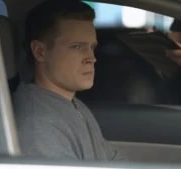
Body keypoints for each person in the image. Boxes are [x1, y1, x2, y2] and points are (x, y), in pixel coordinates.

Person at [14, 0, 124, 161]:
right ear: (40, 52)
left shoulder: (75, 105)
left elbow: (114, 160)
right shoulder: (39, 126)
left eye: (92, 47)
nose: (91, 58)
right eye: (77, 46)